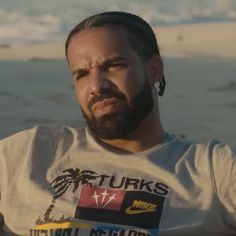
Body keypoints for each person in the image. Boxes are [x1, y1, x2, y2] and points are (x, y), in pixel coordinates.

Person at [0, 11, 235, 236]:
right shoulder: (29, 153)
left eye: (113, 66)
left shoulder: (212, 169)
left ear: (154, 70)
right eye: (81, 74)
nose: (96, 87)